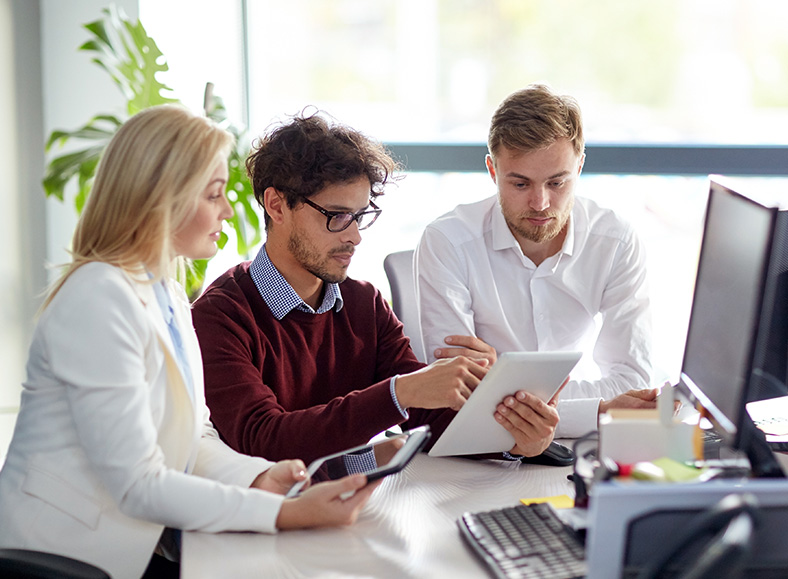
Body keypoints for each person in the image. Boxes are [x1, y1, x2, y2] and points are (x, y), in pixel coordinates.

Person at [0, 105, 380, 579]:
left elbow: (192, 436)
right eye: (214, 194)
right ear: (162, 198)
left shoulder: (166, 290)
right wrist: (285, 513)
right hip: (64, 559)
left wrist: (257, 478)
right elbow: (138, 482)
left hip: (137, 547)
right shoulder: (98, 296)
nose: (227, 210)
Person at [192, 111, 560, 468]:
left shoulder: (363, 304)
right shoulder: (219, 317)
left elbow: (427, 421)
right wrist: (399, 392)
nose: (354, 236)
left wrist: (514, 439)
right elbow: (263, 440)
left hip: (350, 507)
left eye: (360, 216)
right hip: (266, 523)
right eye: (336, 217)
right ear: (276, 205)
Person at [415, 84, 656, 439]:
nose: (541, 203)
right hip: (477, 455)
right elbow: (459, 394)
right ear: (493, 171)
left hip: (574, 449)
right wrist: (600, 411)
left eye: (557, 182)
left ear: (580, 166)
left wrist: (501, 383)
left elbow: (632, 381)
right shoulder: (447, 242)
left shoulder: (615, 242)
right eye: (520, 184)